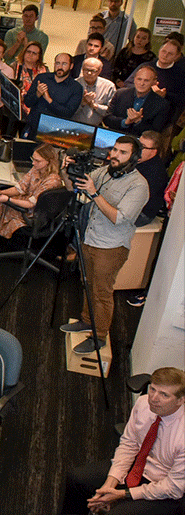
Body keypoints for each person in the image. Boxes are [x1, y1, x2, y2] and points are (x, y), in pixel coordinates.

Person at [61, 136, 150, 354]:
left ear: (134, 158)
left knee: (102, 292)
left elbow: (118, 217)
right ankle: (86, 320)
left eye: (123, 153)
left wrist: (94, 193)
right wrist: (65, 172)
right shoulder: (103, 172)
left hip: (111, 246)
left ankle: (99, 336)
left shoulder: (139, 186)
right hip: (90, 238)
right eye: (115, 150)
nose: (115, 156)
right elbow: (75, 187)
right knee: (88, 283)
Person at [61, 365, 185, 515]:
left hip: (165, 487)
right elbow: (129, 444)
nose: (153, 398)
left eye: (164, 395)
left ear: (180, 401)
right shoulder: (143, 404)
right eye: (153, 389)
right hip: (137, 465)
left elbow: (174, 487)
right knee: (76, 479)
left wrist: (121, 494)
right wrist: (109, 484)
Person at [25, 53, 83, 137]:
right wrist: (38, 94)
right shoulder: (42, 78)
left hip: (52, 133)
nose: (60, 67)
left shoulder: (76, 88)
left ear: (71, 66)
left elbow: (68, 113)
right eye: (57, 63)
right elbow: (27, 102)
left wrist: (49, 100)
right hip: (32, 127)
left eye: (64, 64)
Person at [106, 67, 171, 136]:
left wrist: (138, 121)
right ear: (134, 79)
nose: (141, 83)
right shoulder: (120, 93)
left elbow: (155, 132)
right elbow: (107, 118)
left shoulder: (162, 104)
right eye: (139, 79)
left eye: (146, 80)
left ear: (154, 82)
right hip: (113, 136)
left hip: (139, 142)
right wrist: (125, 122)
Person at [133, 132, 169, 226]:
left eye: (143, 146)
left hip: (142, 213)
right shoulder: (141, 160)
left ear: (154, 151)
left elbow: (137, 199)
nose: (138, 148)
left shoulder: (155, 172)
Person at [75, 56, 118, 126]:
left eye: (93, 70)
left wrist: (95, 106)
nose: (89, 73)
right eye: (86, 70)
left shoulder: (108, 86)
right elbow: (67, 111)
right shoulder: (74, 84)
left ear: (100, 71)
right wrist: (83, 103)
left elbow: (112, 112)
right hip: (73, 124)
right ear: (82, 69)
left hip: (97, 127)